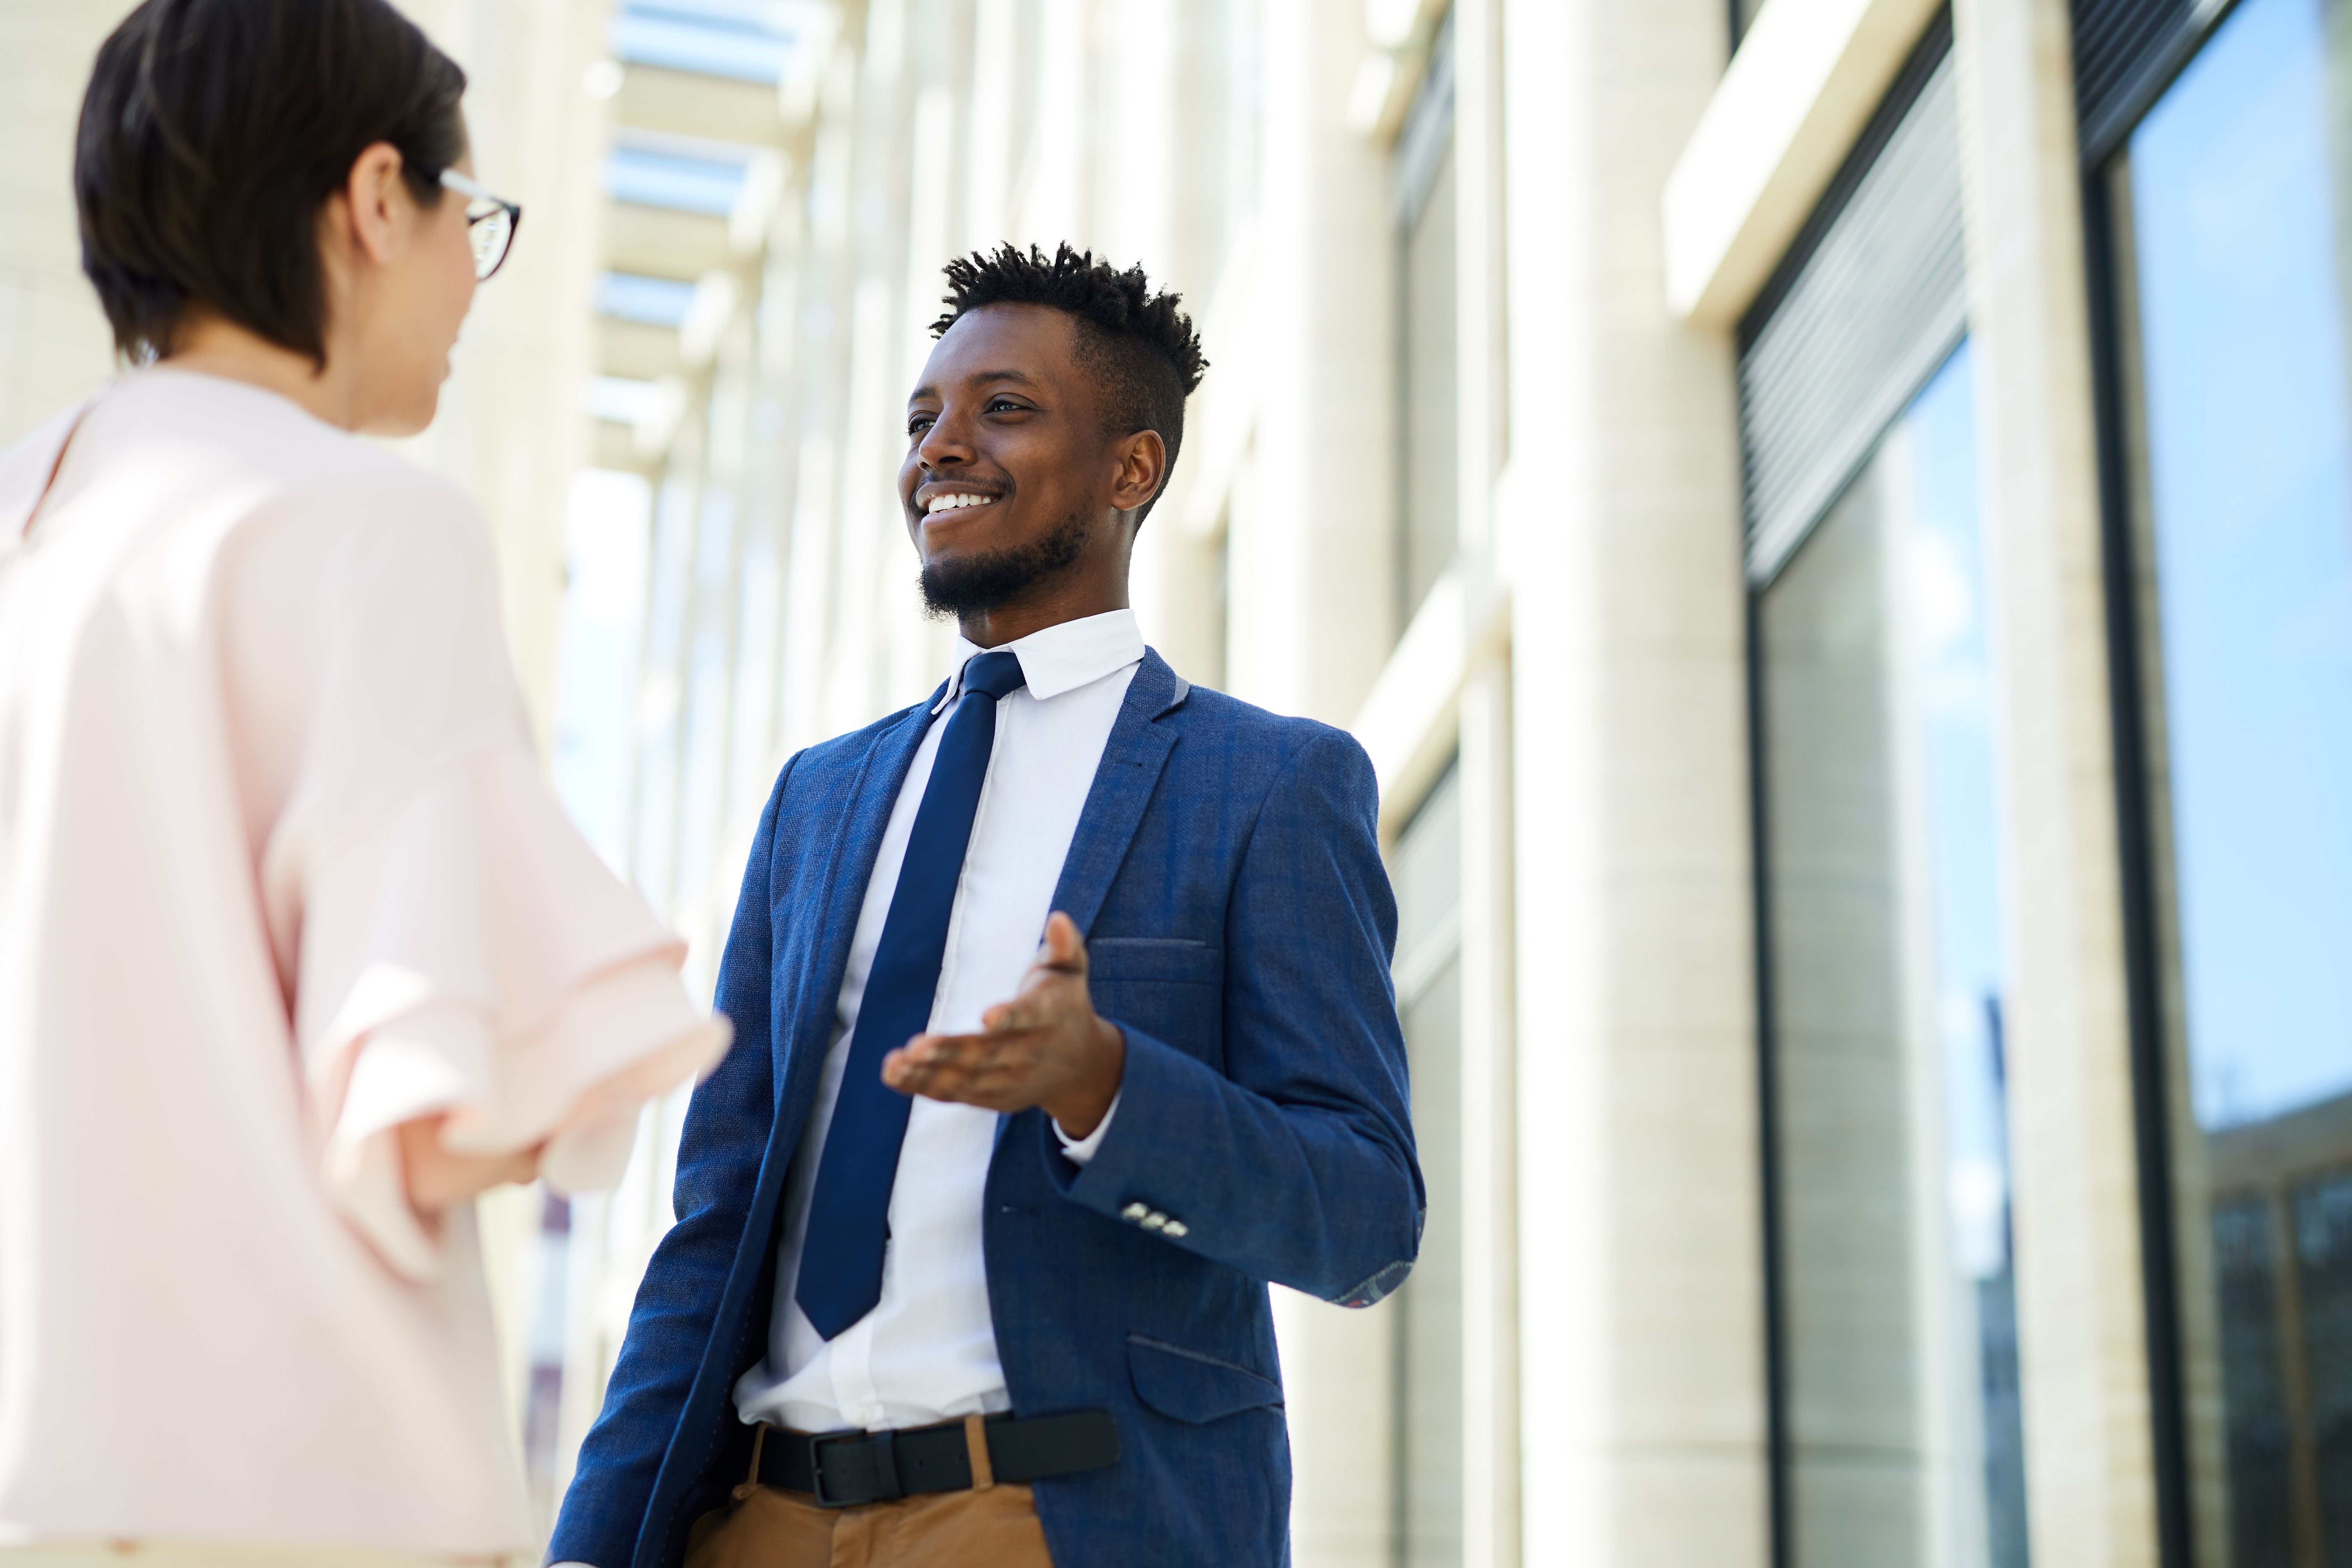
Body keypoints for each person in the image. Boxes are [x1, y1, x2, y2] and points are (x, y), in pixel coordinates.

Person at [550, 244, 1423, 1568]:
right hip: (761, 1518)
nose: (940, 450)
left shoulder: (1268, 785)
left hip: (1050, 1519)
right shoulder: (819, 801)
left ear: (1133, 469)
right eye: (923, 420)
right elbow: (715, 1223)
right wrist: (593, 1543)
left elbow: (1365, 1217)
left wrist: (1107, 1086)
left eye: (1001, 410)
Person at [0, 0, 730, 1561]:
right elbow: (436, 1120)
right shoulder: (366, 527)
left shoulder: (31, 512)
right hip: (307, 1481)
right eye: (478, 217)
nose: (474, 271)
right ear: (378, 197)